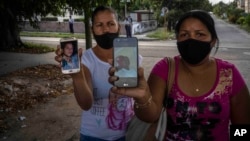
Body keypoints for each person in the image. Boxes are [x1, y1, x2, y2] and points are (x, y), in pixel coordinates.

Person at [109, 10, 250, 141]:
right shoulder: (165, 68)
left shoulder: (229, 74)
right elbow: (150, 116)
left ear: (212, 40)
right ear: (177, 40)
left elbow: (243, 127)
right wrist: (142, 97)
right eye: (184, 35)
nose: (191, 40)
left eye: (200, 34)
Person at [55, 6, 142, 141]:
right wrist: (77, 75)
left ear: (118, 27)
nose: (106, 29)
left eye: (111, 24)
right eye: (99, 25)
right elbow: (86, 104)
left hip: (129, 133)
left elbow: (139, 99)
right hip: (93, 136)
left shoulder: (132, 56)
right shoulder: (86, 60)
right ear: (92, 30)